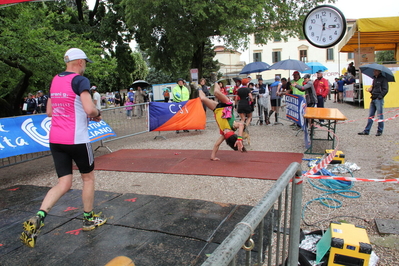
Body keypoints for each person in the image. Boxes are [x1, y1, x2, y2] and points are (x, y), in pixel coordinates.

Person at [20, 48, 106, 248]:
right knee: (88, 178)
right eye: (85, 62)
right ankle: (88, 218)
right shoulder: (80, 81)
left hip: (56, 139)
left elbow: (49, 111)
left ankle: (39, 216)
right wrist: (97, 113)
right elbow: (89, 108)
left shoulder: (55, 80)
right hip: (76, 138)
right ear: (80, 62)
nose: (85, 66)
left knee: (64, 183)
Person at [198, 82, 246, 161]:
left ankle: (199, 87)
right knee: (216, 93)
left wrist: (213, 157)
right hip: (227, 105)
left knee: (203, 99)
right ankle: (215, 81)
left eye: (225, 132)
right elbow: (241, 125)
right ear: (232, 132)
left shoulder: (224, 135)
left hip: (217, 109)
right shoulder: (233, 126)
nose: (226, 130)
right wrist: (239, 139)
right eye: (228, 131)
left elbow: (216, 145)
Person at [358, 69, 389, 137]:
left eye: (375, 71)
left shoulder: (383, 79)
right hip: (373, 98)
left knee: (380, 115)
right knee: (370, 115)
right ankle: (367, 130)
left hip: (379, 99)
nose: (373, 72)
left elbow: (385, 90)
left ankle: (379, 131)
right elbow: (374, 88)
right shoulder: (374, 79)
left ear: (379, 71)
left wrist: (380, 97)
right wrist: (370, 91)